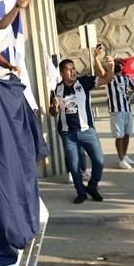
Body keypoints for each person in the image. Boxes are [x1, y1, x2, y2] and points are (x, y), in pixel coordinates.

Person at [49, 50, 113, 204]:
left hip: (87, 131)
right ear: (62, 73)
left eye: (74, 68)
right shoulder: (57, 89)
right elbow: (52, 113)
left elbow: (107, 79)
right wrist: (54, 107)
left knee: (99, 161)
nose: (73, 71)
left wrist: (109, 66)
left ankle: (92, 186)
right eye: (69, 69)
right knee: (73, 166)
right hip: (68, 134)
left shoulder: (84, 82)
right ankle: (81, 192)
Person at [95, 51, 134, 169]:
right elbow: (100, 70)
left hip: (127, 109)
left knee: (127, 134)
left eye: (120, 63)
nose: (119, 65)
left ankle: (125, 155)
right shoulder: (109, 78)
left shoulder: (125, 78)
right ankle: (121, 159)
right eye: (116, 63)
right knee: (119, 135)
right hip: (116, 110)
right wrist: (95, 58)